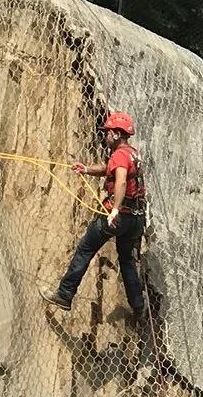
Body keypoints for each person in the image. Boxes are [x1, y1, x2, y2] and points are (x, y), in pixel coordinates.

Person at [49, 111, 150, 326]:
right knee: (127, 260)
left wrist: (114, 210)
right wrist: (86, 169)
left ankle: (64, 294)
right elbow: (109, 169)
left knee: (85, 249)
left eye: (107, 133)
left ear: (116, 133)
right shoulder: (132, 153)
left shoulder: (120, 155)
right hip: (135, 219)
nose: (105, 136)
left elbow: (121, 181)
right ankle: (139, 307)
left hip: (119, 216)